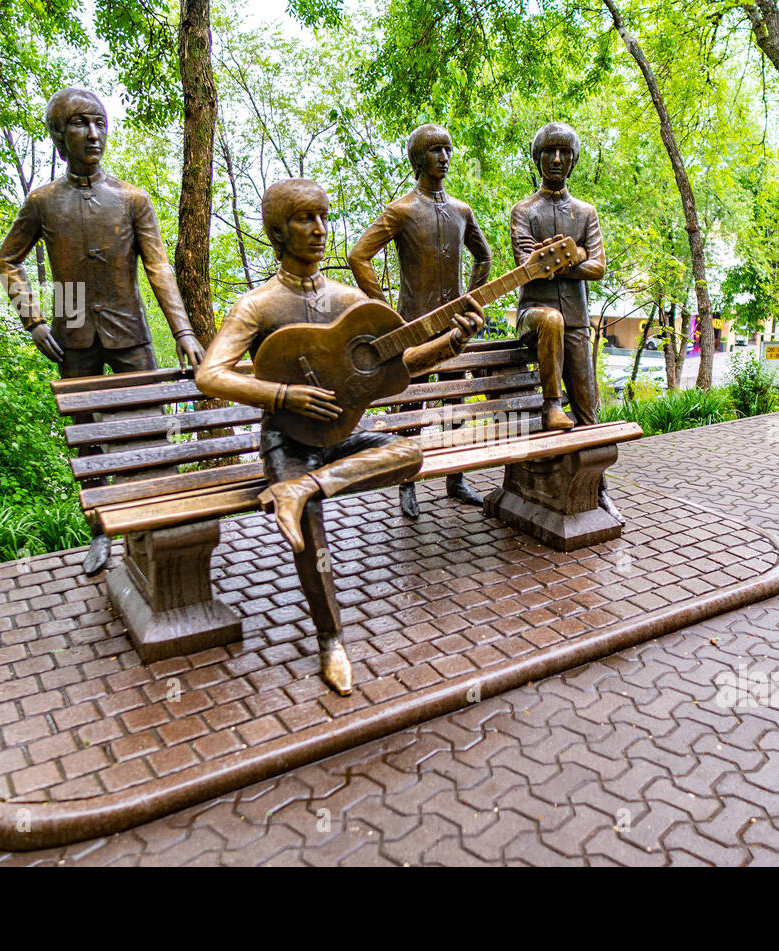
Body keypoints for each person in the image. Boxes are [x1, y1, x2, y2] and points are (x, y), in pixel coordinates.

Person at [195, 179, 483, 696]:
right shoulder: (257, 305)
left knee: (410, 452)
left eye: (324, 216)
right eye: (305, 219)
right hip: (290, 441)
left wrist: (451, 342)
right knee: (307, 529)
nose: (321, 230)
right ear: (278, 231)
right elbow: (210, 375)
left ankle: (305, 487)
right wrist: (283, 395)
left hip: (346, 436)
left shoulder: (350, 300)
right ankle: (332, 640)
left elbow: (398, 368)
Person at [0, 87, 205, 575]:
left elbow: (159, 270)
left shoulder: (132, 199)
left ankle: (162, 519)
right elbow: (7, 260)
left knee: (152, 431)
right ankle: (101, 528)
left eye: (100, 123)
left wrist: (185, 332)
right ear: (57, 136)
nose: (93, 134)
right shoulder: (43, 202)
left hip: (129, 333)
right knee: (87, 441)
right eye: (79, 124)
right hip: (72, 338)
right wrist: (34, 318)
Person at [349, 124, 492, 518]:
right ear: (417, 158)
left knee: (456, 404)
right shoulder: (401, 210)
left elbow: (484, 256)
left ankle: (456, 478)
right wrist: (384, 314)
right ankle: (406, 481)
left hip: (454, 328)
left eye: (447, 149)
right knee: (409, 408)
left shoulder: (462, 210)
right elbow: (359, 255)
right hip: (411, 326)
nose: (444, 157)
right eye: (434, 150)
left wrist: (472, 301)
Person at [510, 121, 622, 522]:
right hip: (533, 317)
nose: (556, 159)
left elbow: (599, 268)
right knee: (551, 318)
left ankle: (599, 489)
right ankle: (550, 408)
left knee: (588, 406)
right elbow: (528, 268)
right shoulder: (523, 211)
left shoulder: (585, 212)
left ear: (573, 162)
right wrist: (574, 258)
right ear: (538, 158)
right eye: (549, 152)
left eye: (564, 153)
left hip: (576, 321)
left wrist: (564, 260)